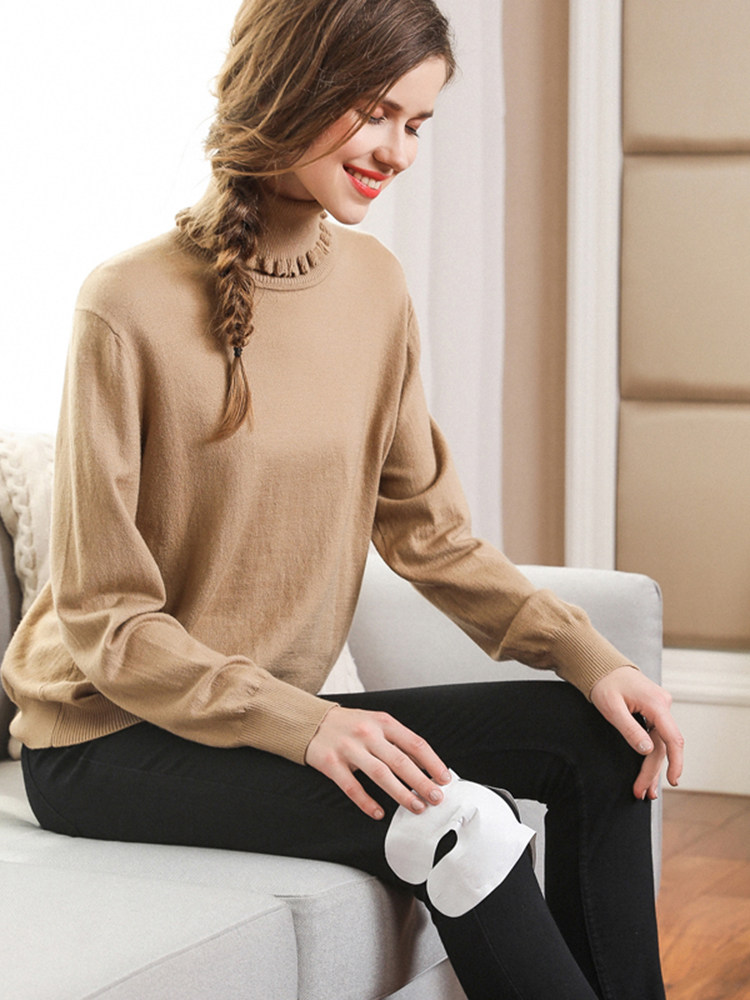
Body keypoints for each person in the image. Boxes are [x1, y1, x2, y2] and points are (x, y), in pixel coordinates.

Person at [1, 1, 683, 997]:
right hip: (108, 741)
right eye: (376, 113)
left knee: (600, 740)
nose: (398, 152)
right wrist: (309, 724)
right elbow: (107, 622)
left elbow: (432, 537)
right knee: (457, 827)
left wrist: (589, 653)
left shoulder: (375, 289)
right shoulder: (126, 303)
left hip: (269, 717)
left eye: (418, 123)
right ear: (293, 85)